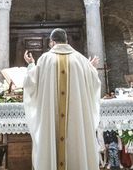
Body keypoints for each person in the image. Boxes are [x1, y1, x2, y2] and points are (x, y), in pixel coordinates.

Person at [23, 27, 101, 170]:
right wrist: (90, 68)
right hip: (76, 119)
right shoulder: (81, 60)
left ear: (52, 42)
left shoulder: (45, 59)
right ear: (66, 40)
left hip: (51, 118)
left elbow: (30, 84)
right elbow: (94, 83)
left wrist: (30, 65)